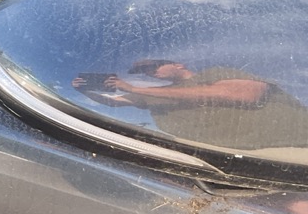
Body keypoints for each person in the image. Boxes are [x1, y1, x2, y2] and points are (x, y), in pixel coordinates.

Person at [75, 59, 308, 152]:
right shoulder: (156, 95)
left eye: (154, 66)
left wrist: (136, 88)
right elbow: (113, 103)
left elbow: (246, 94)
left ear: (178, 64)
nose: (150, 72)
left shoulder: (214, 72)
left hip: (288, 149)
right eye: (145, 71)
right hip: (223, 161)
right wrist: (84, 90)